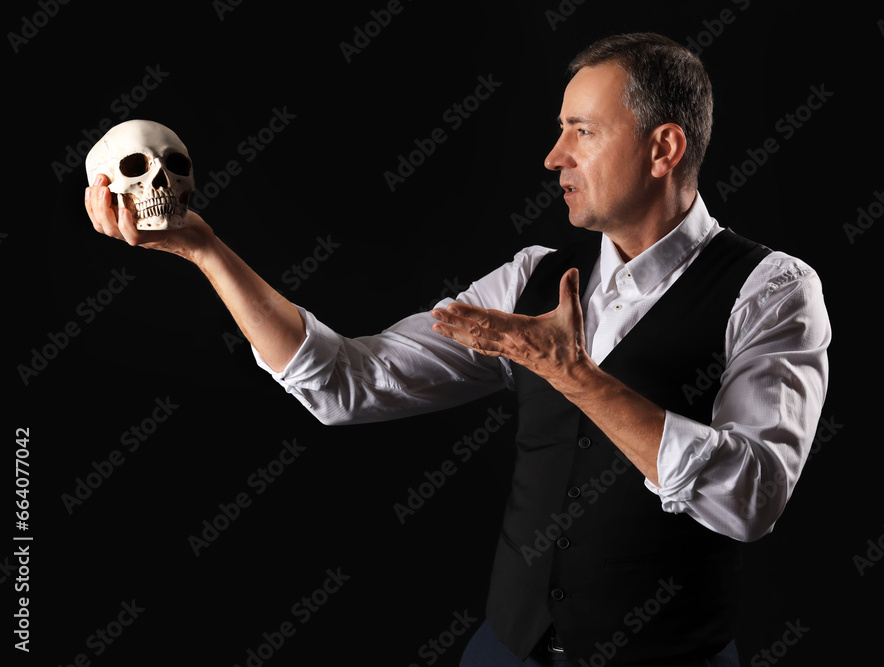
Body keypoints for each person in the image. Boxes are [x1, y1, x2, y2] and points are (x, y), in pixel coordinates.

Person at [85, 32, 830, 667]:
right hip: (505, 651)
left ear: (664, 147)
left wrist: (574, 376)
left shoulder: (771, 289)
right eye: (559, 129)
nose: (553, 156)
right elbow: (348, 381)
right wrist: (205, 250)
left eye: (582, 131)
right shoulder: (530, 277)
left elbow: (753, 494)